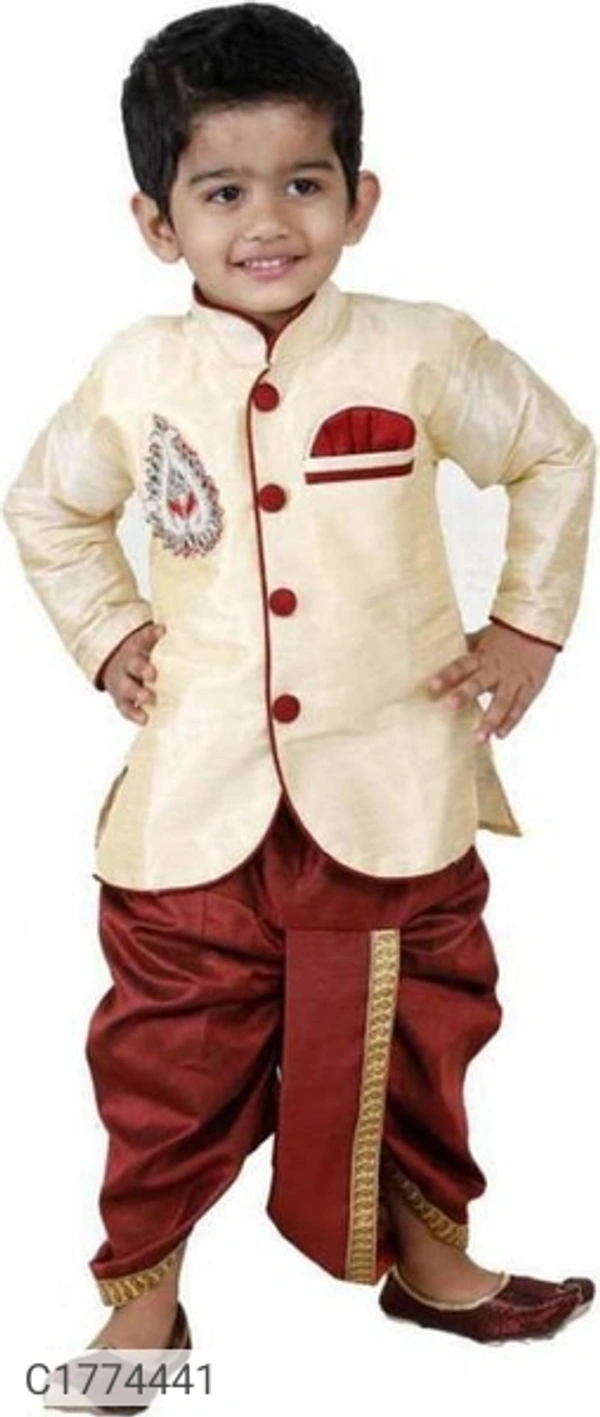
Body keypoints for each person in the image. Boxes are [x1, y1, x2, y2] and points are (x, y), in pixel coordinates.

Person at [3, 2, 596, 1391]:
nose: (267, 221)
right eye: (222, 191)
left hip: (396, 777)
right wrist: (110, 635)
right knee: (165, 1054)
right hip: (195, 798)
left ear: (358, 199)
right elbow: (47, 507)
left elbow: (558, 455)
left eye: (303, 183)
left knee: (423, 1023)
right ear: (157, 222)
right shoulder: (136, 373)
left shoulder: (424, 347)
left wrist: (526, 627)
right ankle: (143, 1305)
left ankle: (435, 1266)